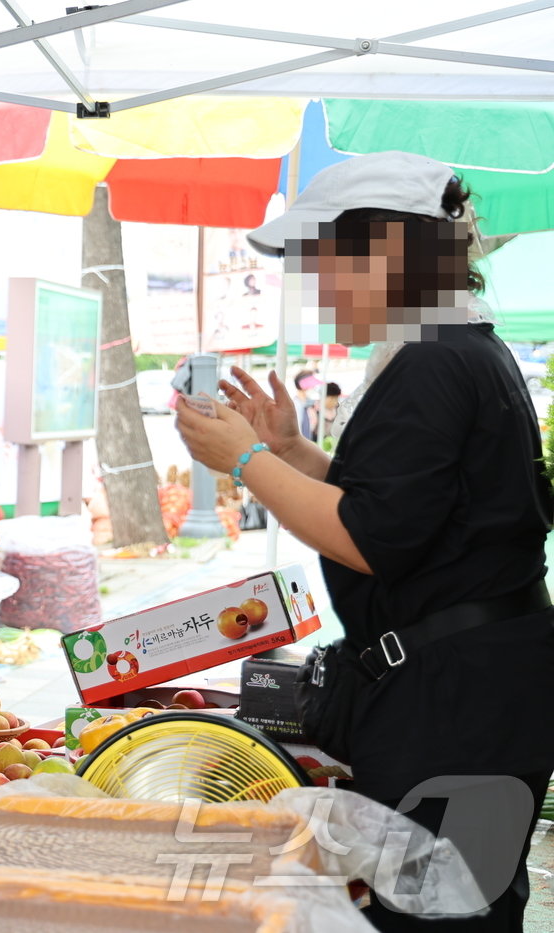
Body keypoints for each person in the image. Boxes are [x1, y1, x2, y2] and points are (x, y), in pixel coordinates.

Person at [175, 151, 554, 931]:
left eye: (324, 262)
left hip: (458, 706)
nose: (316, 286)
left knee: (440, 910)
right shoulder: (458, 350)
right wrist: (291, 451)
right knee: (460, 899)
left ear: (387, 251)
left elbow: (369, 537)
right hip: (481, 691)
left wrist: (243, 460)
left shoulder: (434, 363)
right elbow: (419, 516)